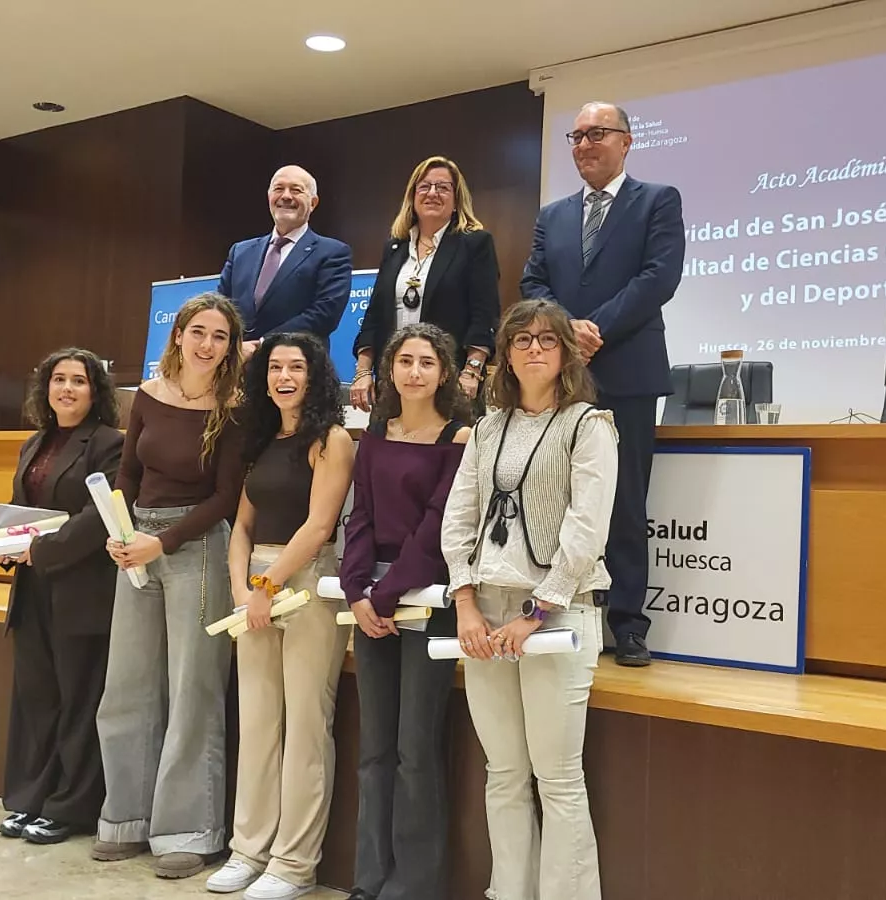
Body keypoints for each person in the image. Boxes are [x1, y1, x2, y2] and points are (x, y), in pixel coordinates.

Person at [440, 299, 618, 900]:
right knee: (504, 774)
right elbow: (458, 517)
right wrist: (464, 602)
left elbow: (586, 528)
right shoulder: (487, 426)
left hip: (559, 612)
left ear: (566, 352)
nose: (535, 349)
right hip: (485, 610)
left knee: (558, 778)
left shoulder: (590, 424)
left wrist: (537, 614)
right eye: (522, 340)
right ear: (507, 353)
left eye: (547, 339)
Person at [519, 100, 685, 667]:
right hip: (559, 378)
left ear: (626, 141)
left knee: (625, 502)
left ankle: (629, 625)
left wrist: (597, 330)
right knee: (560, 499)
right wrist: (567, 332)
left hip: (629, 373)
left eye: (597, 134)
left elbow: (659, 277)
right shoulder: (553, 214)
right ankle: (566, 607)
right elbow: (533, 280)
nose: (584, 144)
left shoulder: (657, 201)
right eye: (576, 135)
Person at [93, 292, 246, 880]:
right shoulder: (149, 397)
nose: (207, 344)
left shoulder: (232, 407)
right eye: (198, 331)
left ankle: (188, 829)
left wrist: (165, 540)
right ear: (178, 334)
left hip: (196, 548)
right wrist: (122, 531)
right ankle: (124, 819)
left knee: (191, 691)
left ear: (230, 347)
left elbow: (226, 497)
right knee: (125, 686)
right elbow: (129, 473)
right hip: (138, 546)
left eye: (220, 336)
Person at [206, 331, 356, 900]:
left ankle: (293, 865)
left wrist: (268, 585)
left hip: (309, 581)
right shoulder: (262, 439)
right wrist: (242, 589)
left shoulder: (332, 440)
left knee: (306, 726)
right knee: (259, 721)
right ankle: (248, 850)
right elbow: (241, 526)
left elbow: (320, 526)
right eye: (275, 367)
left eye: (296, 367)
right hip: (255, 587)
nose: (284, 376)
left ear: (316, 375)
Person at [339, 323, 472, 900]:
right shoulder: (374, 434)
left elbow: (438, 526)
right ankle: (369, 878)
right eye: (405, 361)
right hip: (372, 601)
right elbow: (360, 517)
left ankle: (414, 885)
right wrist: (356, 592)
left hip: (426, 598)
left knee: (415, 749)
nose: (415, 371)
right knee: (374, 748)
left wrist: (386, 594)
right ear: (389, 370)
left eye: (427, 362)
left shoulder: (459, 437)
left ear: (444, 372)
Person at [0, 347, 125, 845]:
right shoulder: (33, 443)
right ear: (45, 388)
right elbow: (19, 511)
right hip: (33, 590)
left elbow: (101, 519)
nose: (67, 389)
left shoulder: (110, 444)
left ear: (96, 392)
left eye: (78, 381)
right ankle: (30, 799)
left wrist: (40, 550)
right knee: (38, 700)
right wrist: (7, 548)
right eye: (58, 380)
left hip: (82, 590)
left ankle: (69, 807)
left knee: (78, 702)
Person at [350, 156, 499, 414]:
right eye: (425, 186)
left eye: (443, 187)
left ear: (456, 200)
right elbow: (374, 316)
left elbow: (484, 314)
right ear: (412, 196)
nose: (433, 193)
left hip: (450, 382)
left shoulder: (474, 244)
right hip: (394, 381)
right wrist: (363, 372)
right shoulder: (394, 248)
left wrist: (472, 371)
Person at [218, 165, 354, 357]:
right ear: (269, 197)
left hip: (296, 367)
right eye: (279, 189)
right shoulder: (240, 251)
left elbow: (324, 314)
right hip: (238, 367)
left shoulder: (333, 253)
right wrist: (234, 346)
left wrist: (262, 345)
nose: (286, 196)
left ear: (313, 203)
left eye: (296, 190)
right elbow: (220, 306)